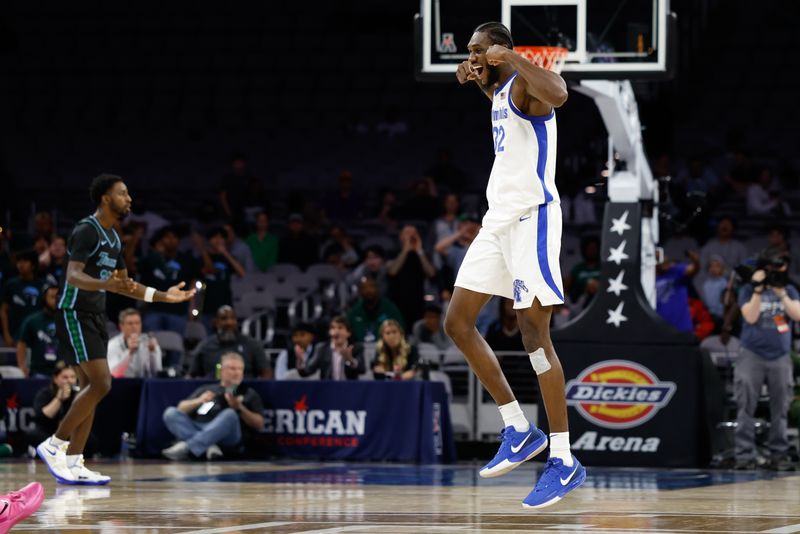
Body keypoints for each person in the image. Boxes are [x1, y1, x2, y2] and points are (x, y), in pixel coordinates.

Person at [445, 22, 584, 508]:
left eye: (477, 49)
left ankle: (564, 459)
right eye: (469, 51)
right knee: (458, 322)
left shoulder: (527, 84)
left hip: (533, 219)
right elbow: (494, 91)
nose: (470, 55)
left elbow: (561, 93)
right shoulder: (502, 93)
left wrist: (515, 57)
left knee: (533, 334)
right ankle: (519, 428)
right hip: (497, 222)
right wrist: (477, 78)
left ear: (500, 49)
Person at [36, 174, 195, 485]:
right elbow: (74, 276)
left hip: (95, 316)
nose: (129, 199)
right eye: (123, 193)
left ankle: (74, 460)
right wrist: (103, 284)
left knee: (90, 390)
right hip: (74, 312)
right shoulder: (86, 230)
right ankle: (55, 444)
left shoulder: (115, 239)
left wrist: (165, 295)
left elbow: (126, 286)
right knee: (101, 384)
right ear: (106, 198)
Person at [735, 247, 800, 471]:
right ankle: (744, 454)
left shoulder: (790, 289)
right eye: (774, 266)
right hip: (752, 354)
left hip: (780, 356)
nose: (778, 269)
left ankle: (778, 454)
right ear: (765, 267)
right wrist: (758, 289)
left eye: (782, 266)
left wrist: (781, 293)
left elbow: (797, 315)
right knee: (746, 405)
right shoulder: (747, 289)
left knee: (780, 407)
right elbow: (750, 317)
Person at [162, 352, 265, 461]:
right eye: (232, 369)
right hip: (199, 426)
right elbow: (181, 408)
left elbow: (259, 424)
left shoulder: (248, 393)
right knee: (170, 413)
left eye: (240, 369)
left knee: (230, 414)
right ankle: (208, 445)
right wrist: (199, 401)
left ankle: (188, 447)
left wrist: (239, 407)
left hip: (228, 435)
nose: (237, 373)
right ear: (222, 371)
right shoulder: (207, 388)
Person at [27, 362, 98, 457]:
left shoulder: (79, 395)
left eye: (72, 377)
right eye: (65, 377)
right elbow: (42, 416)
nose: (69, 380)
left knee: (90, 439)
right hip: (49, 432)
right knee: (33, 435)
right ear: (55, 379)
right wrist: (59, 399)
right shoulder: (45, 393)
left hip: (70, 434)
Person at [138, 226, 199, 335]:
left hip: (178, 311)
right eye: (167, 237)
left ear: (179, 240)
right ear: (161, 240)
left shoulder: (186, 260)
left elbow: (192, 283)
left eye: (174, 237)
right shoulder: (152, 259)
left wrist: (192, 306)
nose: (171, 240)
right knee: (150, 345)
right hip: (154, 309)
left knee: (176, 345)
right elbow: (142, 280)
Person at [189, 305, 270, 379]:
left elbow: (266, 373)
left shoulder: (252, 345)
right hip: (212, 390)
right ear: (216, 323)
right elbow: (191, 375)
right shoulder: (205, 346)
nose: (229, 322)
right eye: (224, 318)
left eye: (232, 318)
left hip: (244, 391)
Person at [195, 228, 246, 329]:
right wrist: (202, 249)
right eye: (215, 237)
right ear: (209, 240)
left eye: (221, 237)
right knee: (207, 339)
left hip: (225, 305)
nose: (218, 240)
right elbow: (210, 270)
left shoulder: (228, 258)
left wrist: (225, 253)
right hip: (207, 306)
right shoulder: (202, 258)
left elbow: (242, 273)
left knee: (226, 338)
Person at [387, 225, 436, 328]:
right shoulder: (393, 253)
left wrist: (419, 251)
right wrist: (405, 250)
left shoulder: (422, 255)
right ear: (401, 237)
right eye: (407, 233)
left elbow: (431, 273)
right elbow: (392, 271)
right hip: (398, 301)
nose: (411, 236)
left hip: (418, 301)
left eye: (414, 233)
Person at [1, 250, 45, 347]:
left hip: (36, 332)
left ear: (33, 265)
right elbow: (3, 310)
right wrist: (6, 335)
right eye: (19, 261)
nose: (20, 264)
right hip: (14, 332)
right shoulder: (10, 285)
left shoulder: (42, 285)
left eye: (25, 261)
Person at [299, 316, 365, 380]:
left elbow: (362, 369)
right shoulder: (322, 348)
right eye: (333, 328)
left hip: (350, 389)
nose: (336, 331)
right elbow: (307, 372)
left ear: (348, 333)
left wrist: (350, 360)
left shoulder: (356, 348)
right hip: (329, 389)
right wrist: (301, 361)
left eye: (340, 328)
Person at [16, 285, 61, 377]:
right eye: (52, 297)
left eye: (58, 297)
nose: (56, 300)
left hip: (62, 371)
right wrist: (22, 366)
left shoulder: (66, 320)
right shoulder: (32, 320)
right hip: (39, 371)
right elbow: (21, 344)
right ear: (44, 298)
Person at [107, 308, 162, 378]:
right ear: (121, 326)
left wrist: (153, 353)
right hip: (122, 384)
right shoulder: (112, 345)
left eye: (137, 323)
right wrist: (129, 353)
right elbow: (113, 372)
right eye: (130, 323)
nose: (134, 326)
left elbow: (156, 372)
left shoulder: (149, 342)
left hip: (143, 384)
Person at [347, 278, 405, 343]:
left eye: (371, 287)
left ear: (378, 289)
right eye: (364, 288)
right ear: (359, 291)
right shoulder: (354, 312)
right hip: (360, 350)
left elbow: (401, 330)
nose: (368, 290)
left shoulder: (390, 309)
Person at [655, 251, 700, 333]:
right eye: (658, 260)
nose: (664, 264)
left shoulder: (676, 271)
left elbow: (694, 269)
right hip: (660, 328)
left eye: (666, 262)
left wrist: (695, 260)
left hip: (682, 327)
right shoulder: (648, 278)